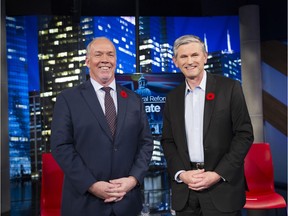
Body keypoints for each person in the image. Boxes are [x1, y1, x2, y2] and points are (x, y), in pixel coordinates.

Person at [50, 37, 153, 216]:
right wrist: (91, 184)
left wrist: (133, 179)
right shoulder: (68, 99)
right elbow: (61, 147)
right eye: (98, 54)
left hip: (127, 203)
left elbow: (145, 143)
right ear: (87, 61)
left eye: (110, 54)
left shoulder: (135, 100)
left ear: (115, 61)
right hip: (84, 204)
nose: (105, 59)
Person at [161, 35, 254, 216]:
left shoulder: (230, 88)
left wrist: (218, 173)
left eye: (195, 55)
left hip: (221, 188)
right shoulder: (172, 97)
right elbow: (168, 140)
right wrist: (181, 174)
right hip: (186, 192)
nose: (190, 61)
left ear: (205, 56)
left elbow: (244, 135)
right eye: (183, 57)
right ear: (175, 61)